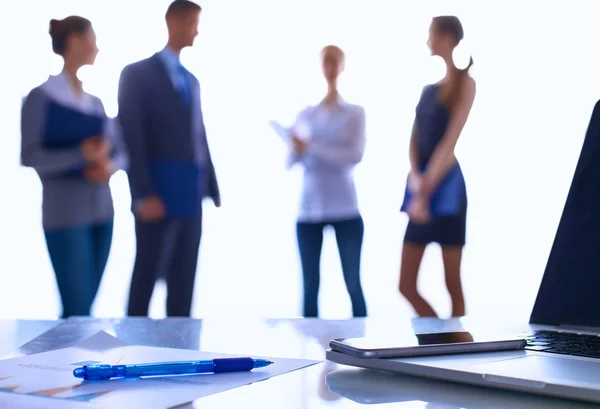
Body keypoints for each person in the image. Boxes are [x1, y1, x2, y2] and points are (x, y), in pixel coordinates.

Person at [118, 0, 220, 317]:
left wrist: (211, 186)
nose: (197, 30)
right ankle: (131, 350)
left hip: (192, 191)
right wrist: (143, 193)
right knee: (147, 275)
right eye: (193, 22)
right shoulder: (136, 74)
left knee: (184, 279)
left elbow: (197, 135)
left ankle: (181, 351)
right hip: (157, 192)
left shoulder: (192, 80)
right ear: (172, 21)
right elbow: (132, 136)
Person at [20, 16, 127, 318]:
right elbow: (30, 155)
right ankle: (66, 365)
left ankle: (74, 363)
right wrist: (81, 154)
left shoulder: (95, 103)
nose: (96, 46)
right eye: (92, 38)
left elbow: (120, 150)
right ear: (75, 40)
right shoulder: (40, 98)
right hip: (65, 215)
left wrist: (108, 165)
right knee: (76, 309)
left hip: (103, 212)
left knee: (86, 307)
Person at [398, 16, 476, 317]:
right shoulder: (427, 91)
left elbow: (450, 140)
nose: (427, 39)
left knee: (452, 283)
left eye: (430, 33)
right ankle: (440, 341)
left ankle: (459, 352)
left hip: (448, 191)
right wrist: (415, 178)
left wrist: (426, 187)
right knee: (406, 284)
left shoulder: (465, 84)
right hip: (420, 185)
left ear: (445, 36)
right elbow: (414, 140)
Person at [288, 45, 367, 318]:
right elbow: (289, 163)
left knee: (353, 283)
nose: (330, 68)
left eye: (335, 62)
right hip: (309, 208)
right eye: (326, 62)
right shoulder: (306, 114)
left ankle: (367, 348)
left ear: (342, 67)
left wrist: (311, 148)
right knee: (310, 287)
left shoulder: (355, 113)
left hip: (345, 207)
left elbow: (354, 155)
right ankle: (306, 354)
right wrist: (298, 148)